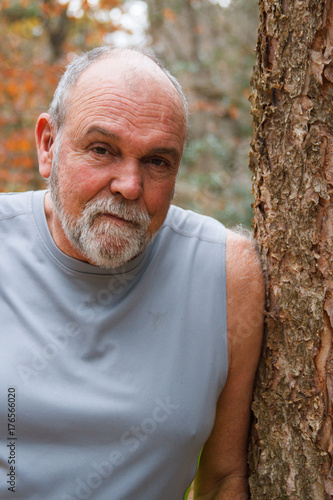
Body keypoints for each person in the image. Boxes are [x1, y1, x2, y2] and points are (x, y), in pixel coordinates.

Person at [0, 46, 264, 500]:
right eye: (102, 150)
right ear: (48, 145)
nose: (129, 185)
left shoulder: (225, 274)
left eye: (157, 161)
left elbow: (224, 477)